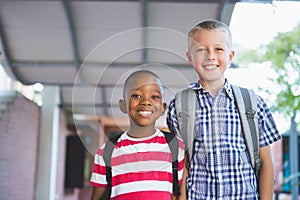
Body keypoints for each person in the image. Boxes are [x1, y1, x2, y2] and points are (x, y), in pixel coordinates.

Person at [167, 19, 282, 200]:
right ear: (190, 58)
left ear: (230, 56)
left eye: (218, 49)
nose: (210, 56)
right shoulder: (179, 106)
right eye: (201, 50)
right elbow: (184, 165)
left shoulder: (252, 103)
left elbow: (267, 164)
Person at [90, 70, 186, 200]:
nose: (146, 102)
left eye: (154, 97)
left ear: (163, 108)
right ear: (123, 105)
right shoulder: (107, 151)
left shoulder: (176, 147)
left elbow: (179, 194)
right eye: (136, 96)